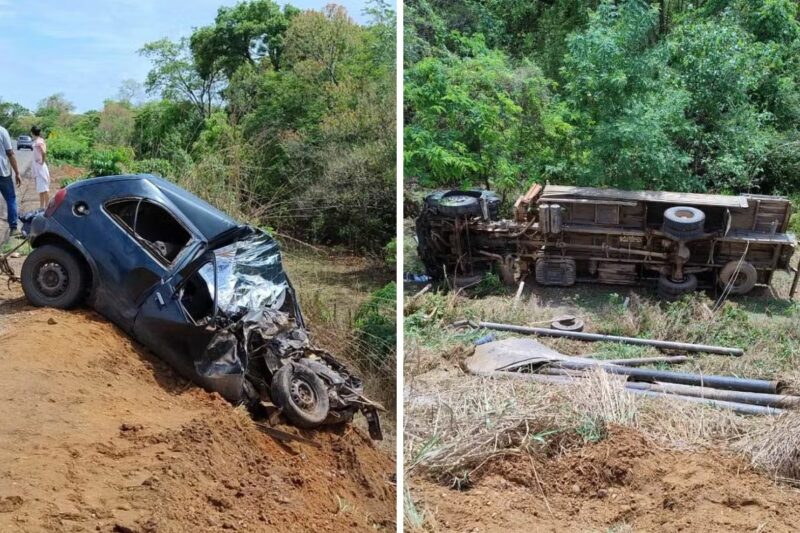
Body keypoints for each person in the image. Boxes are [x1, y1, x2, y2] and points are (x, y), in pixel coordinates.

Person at [0, 124, 21, 237]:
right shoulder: (2, 131)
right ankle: (13, 228)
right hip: (2, 172)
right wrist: (17, 172)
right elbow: (10, 153)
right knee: (11, 198)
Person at [31, 126, 50, 209]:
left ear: (32, 133)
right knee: (41, 188)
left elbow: (44, 151)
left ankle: (47, 206)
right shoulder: (38, 140)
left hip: (40, 166)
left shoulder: (39, 141)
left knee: (45, 188)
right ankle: (42, 207)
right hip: (38, 166)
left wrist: (42, 161)